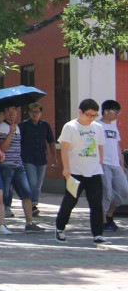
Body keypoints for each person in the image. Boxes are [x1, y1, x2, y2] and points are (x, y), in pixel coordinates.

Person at [55, 99, 109, 244]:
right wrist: (66, 168)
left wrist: (100, 165)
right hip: (75, 173)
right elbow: (64, 149)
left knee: (96, 204)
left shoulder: (98, 127)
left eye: (94, 115)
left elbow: (100, 147)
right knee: (70, 202)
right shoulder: (70, 127)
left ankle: (98, 234)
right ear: (80, 112)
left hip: (94, 171)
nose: (91, 118)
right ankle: (60, 228)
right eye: (88, 115)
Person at [0, 104, 44, 232]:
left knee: (26, 194)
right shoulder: (2, 127)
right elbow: (2, 148)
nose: (13, 113)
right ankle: (2, 224)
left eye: (14, 110)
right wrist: (10, 133)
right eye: (9, 110)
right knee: (4, 196)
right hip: (6, 166)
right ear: (4, 112)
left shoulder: (17, 127)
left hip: (18, 165)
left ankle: (29, 223)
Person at [18, 102, 57, 216]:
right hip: (28, 158)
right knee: (32, 182)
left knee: (38, 184)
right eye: (32, 112)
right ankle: (32, 205)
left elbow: (51, 141)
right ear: (29, 113)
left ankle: (32, 203)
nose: (34, 114)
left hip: (41, 158)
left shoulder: (45, 125)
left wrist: (54, 157)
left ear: (41, 113)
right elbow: (18, 142)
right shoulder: (23, 126)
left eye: (37, 112)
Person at [99, 100, 127, 232]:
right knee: (107, 193)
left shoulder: (113, 127)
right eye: (115, 112)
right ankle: (103, 220)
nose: (117, 114)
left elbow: (117, 145)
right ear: (106, 111)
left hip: (116, 165)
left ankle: (109, 214)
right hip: (104, 164)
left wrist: (122, 164)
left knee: (123, 191)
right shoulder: (97, 126)